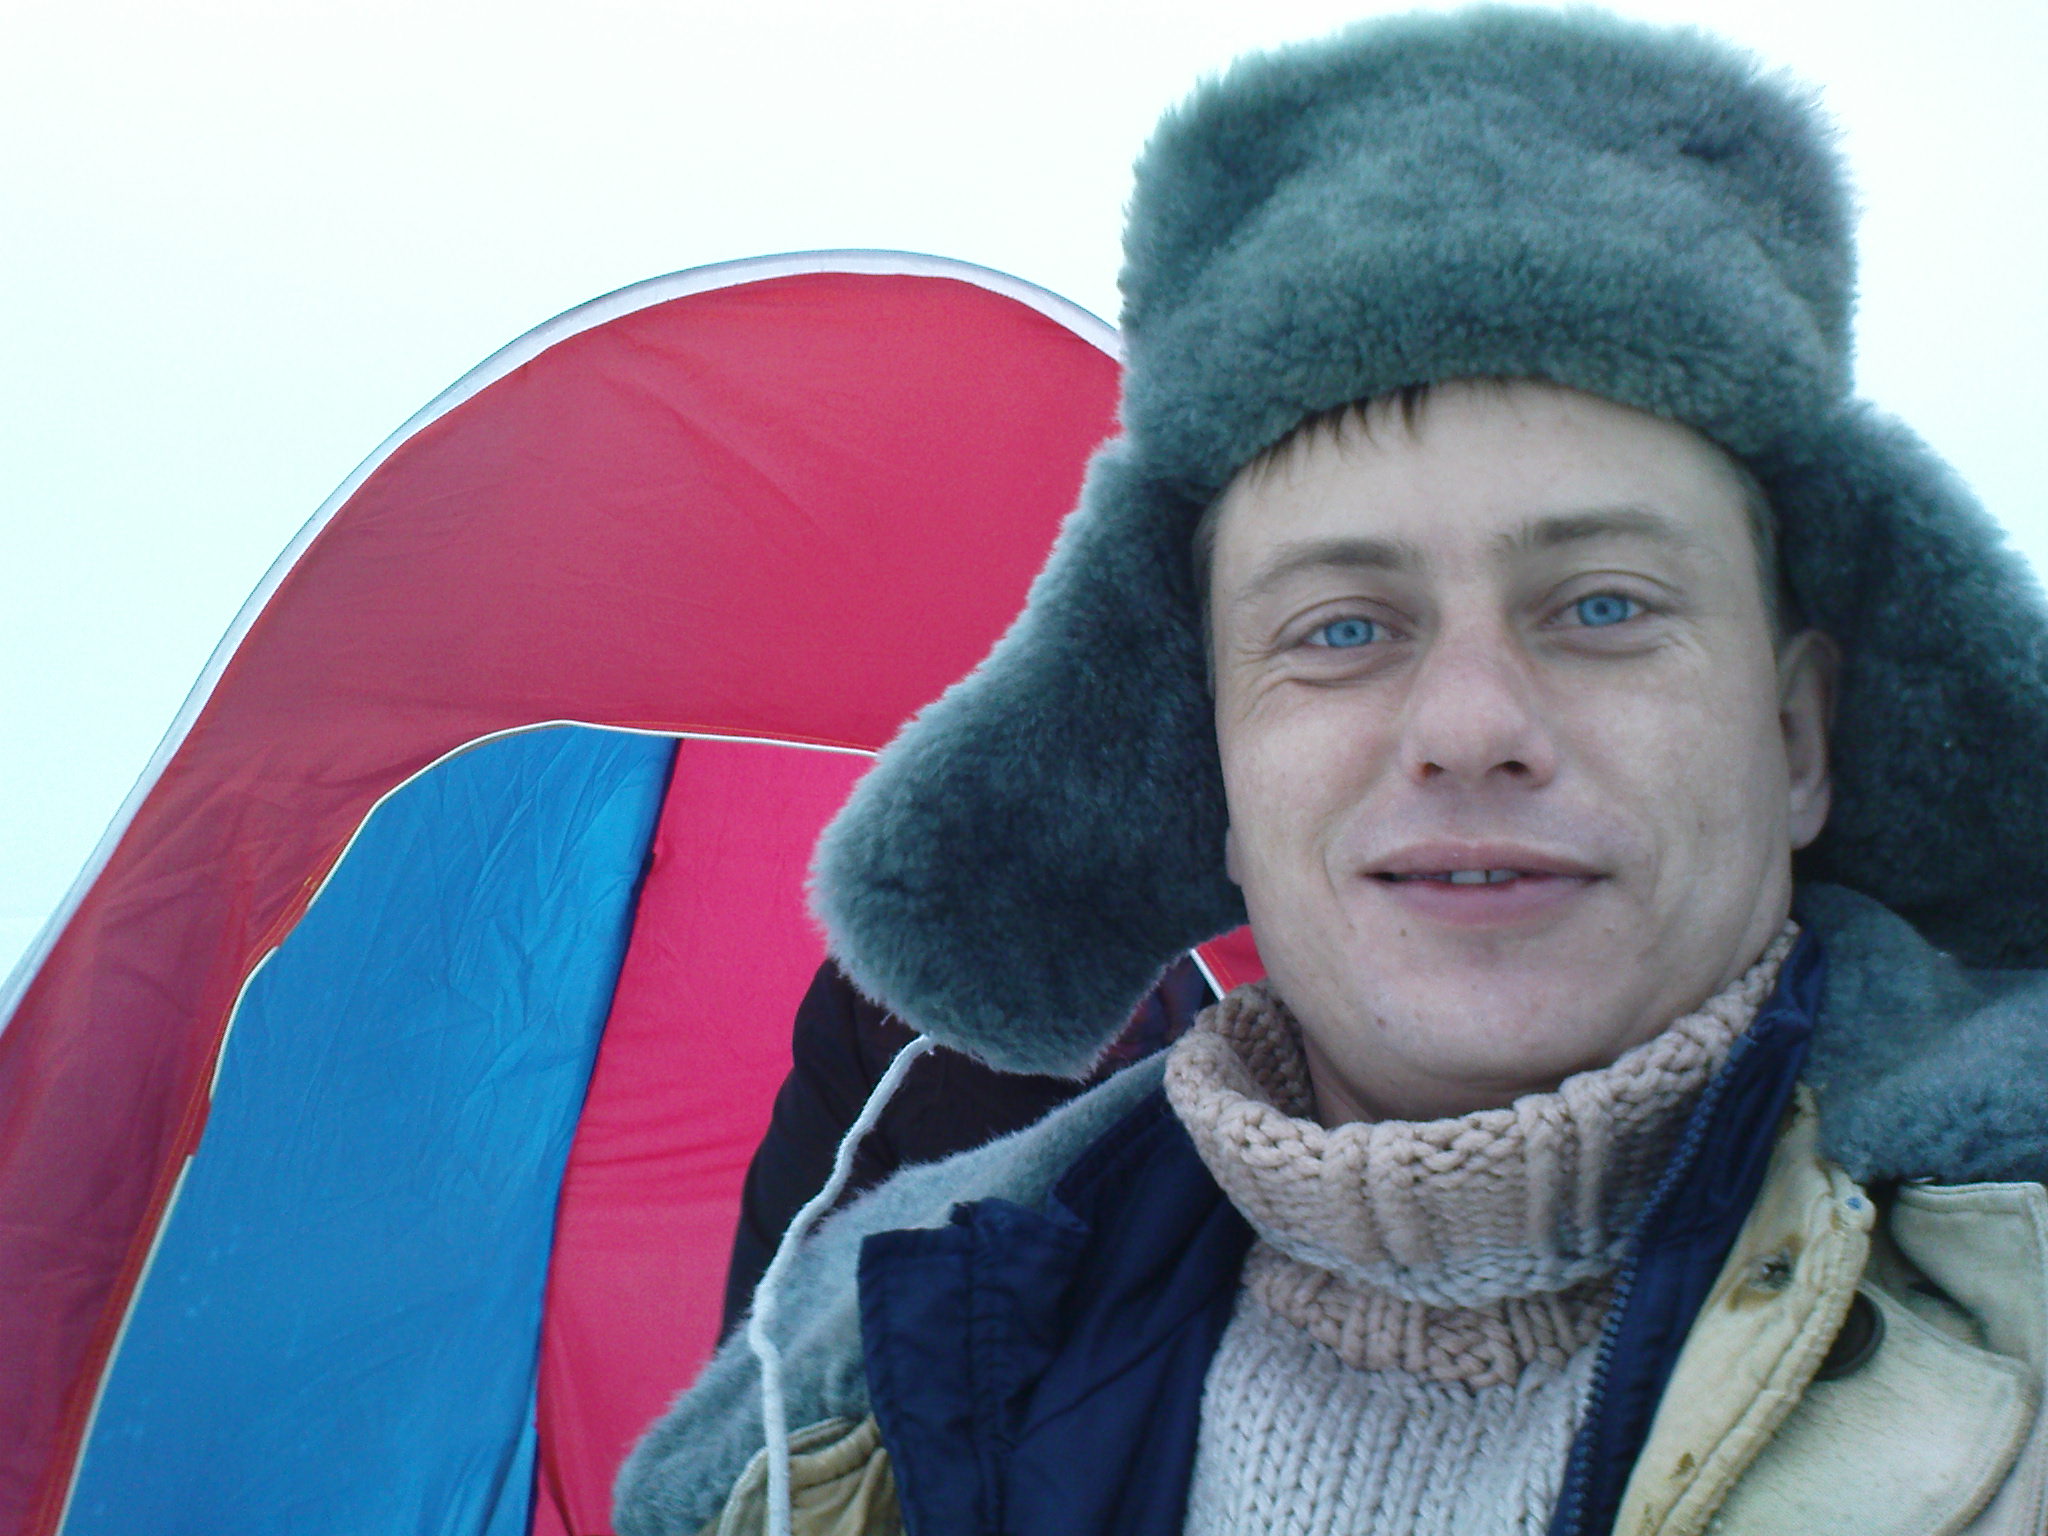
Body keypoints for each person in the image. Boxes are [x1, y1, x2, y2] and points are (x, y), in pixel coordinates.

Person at [618, 9, 2048, 1534]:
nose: (1471, 724)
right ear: (1212, 772)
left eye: (1603, 607)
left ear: (1798, 737)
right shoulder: (853, 1409)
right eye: (1344, 628)